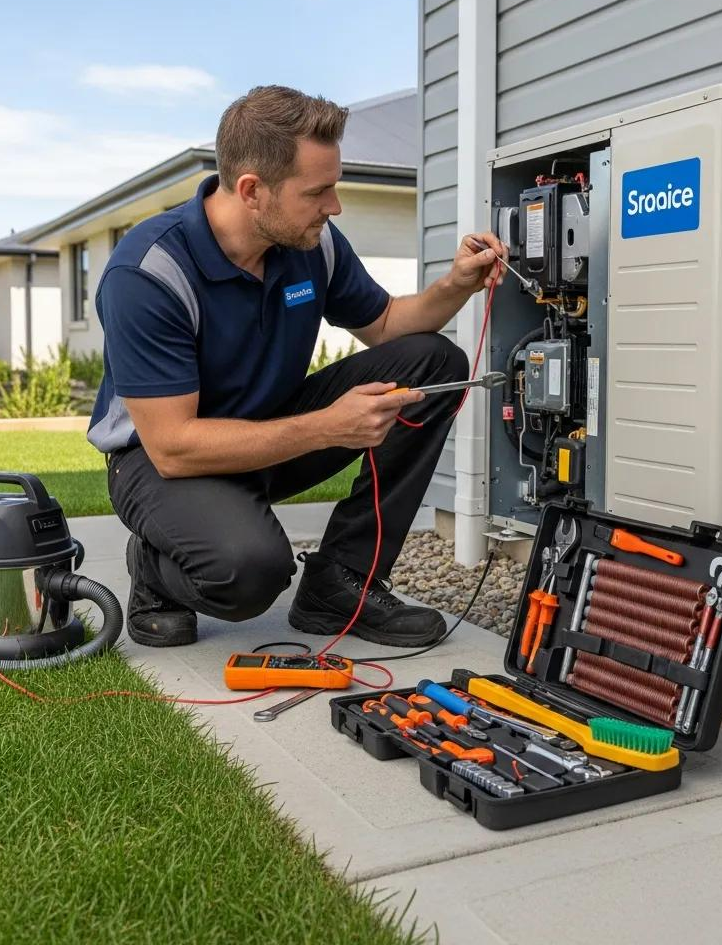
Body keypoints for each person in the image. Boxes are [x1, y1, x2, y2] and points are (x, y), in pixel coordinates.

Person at [88, 85, 506, 648]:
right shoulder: (149, 272)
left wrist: (456, 285)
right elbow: (172, 445)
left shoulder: (313, 245)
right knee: (251, 573)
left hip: (271, 427)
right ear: (252, 190)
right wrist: (328, 426)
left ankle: (342, 581)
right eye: (319, 191)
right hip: (160, 463)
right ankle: (155, 566)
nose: (334, 206)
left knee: (431, 361)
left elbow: (384, 323)